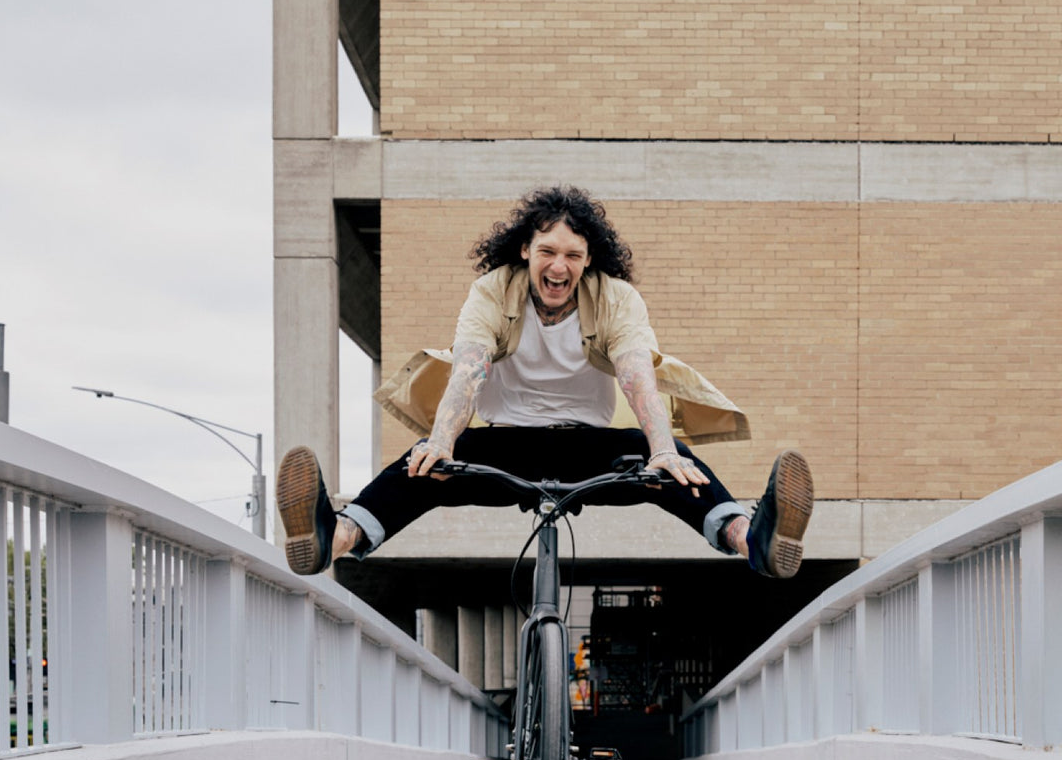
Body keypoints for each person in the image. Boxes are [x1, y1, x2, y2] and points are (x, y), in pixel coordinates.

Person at [277, 185, 813, 580]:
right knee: (418, 468)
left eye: (573, 256)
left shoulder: (615, 299)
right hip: (503, 446)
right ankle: (331, 536)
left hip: (592, 449)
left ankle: (755, 540)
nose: (560, 267)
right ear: (526, 251)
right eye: (549, 252)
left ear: (588, 262)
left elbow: (635, 374)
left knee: (681, 474)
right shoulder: (492, 291)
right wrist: (441, 443)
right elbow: (468, 368)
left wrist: (664, 451)